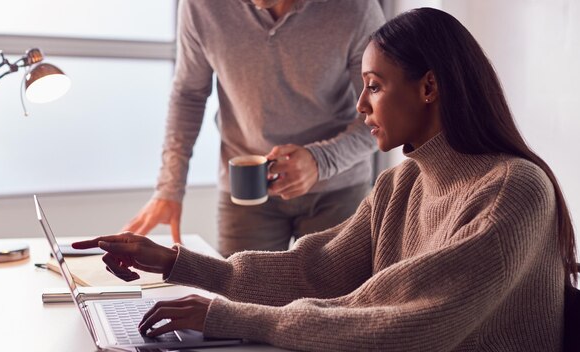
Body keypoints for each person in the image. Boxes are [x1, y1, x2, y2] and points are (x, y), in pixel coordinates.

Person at [74, 7, 577, 351]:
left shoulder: (513, 190)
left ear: (429, 87)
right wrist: (172, 261)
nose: (361, 107)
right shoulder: (400, 186)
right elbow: (313, 271)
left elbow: (406, 327)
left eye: (374, 87)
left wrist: (228, 316)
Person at [123, 0, 385, 256]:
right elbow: (188, 95)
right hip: (246, 191)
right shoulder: (200, 6)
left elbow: (382, 114)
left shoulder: (357, 8)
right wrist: (170, 187)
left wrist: (320, 161)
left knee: (337, 298)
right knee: (238, 296)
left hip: (337, 190)